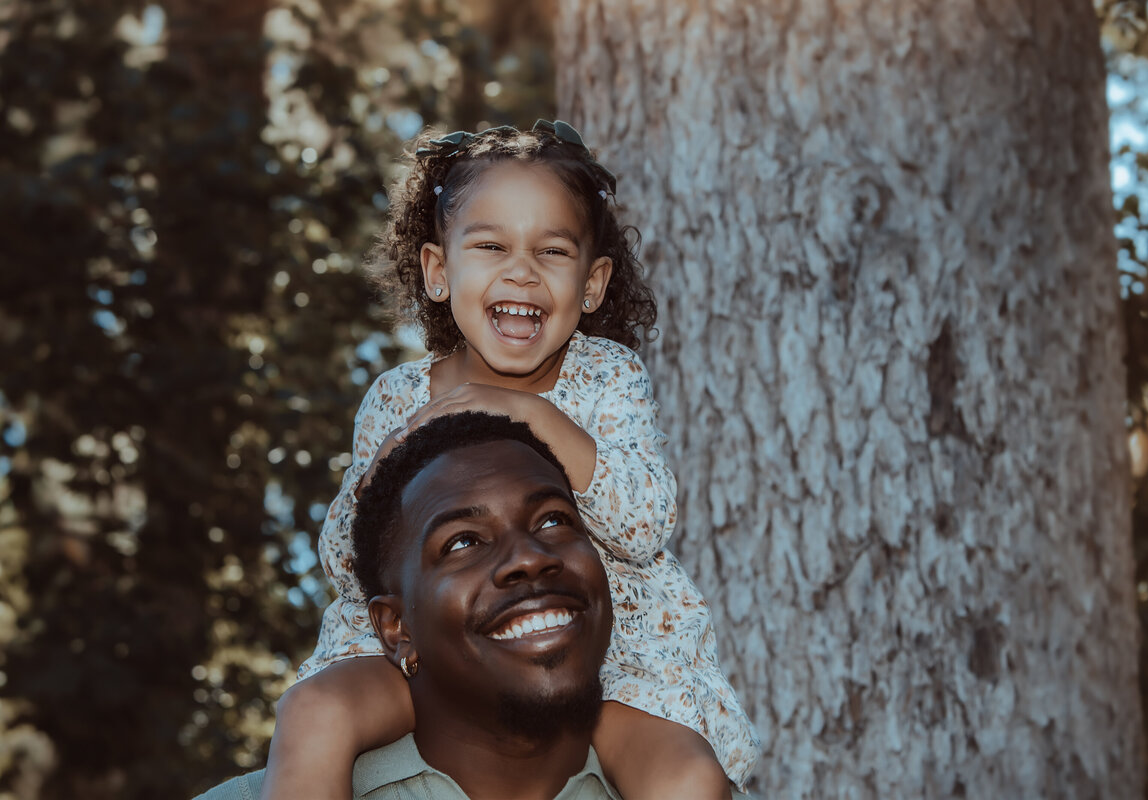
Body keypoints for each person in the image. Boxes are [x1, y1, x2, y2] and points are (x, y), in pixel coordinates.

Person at [261, 121, 759, 800]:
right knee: (312, 713)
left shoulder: (605, 379)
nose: (520, 270)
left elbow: (644, 524)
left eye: (552, 250)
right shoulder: (400, 396)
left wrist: (532, 414)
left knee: (688, 777)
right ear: (439, 271)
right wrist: (385, 462)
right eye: (491, 245)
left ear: (591, 283)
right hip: (429, 650)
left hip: (608, 651)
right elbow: (349, 567)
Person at [200, 412, 618, 798]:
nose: (529, 557)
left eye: (553, 520)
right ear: (396, 627)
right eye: (463, 542)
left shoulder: (677, 778)